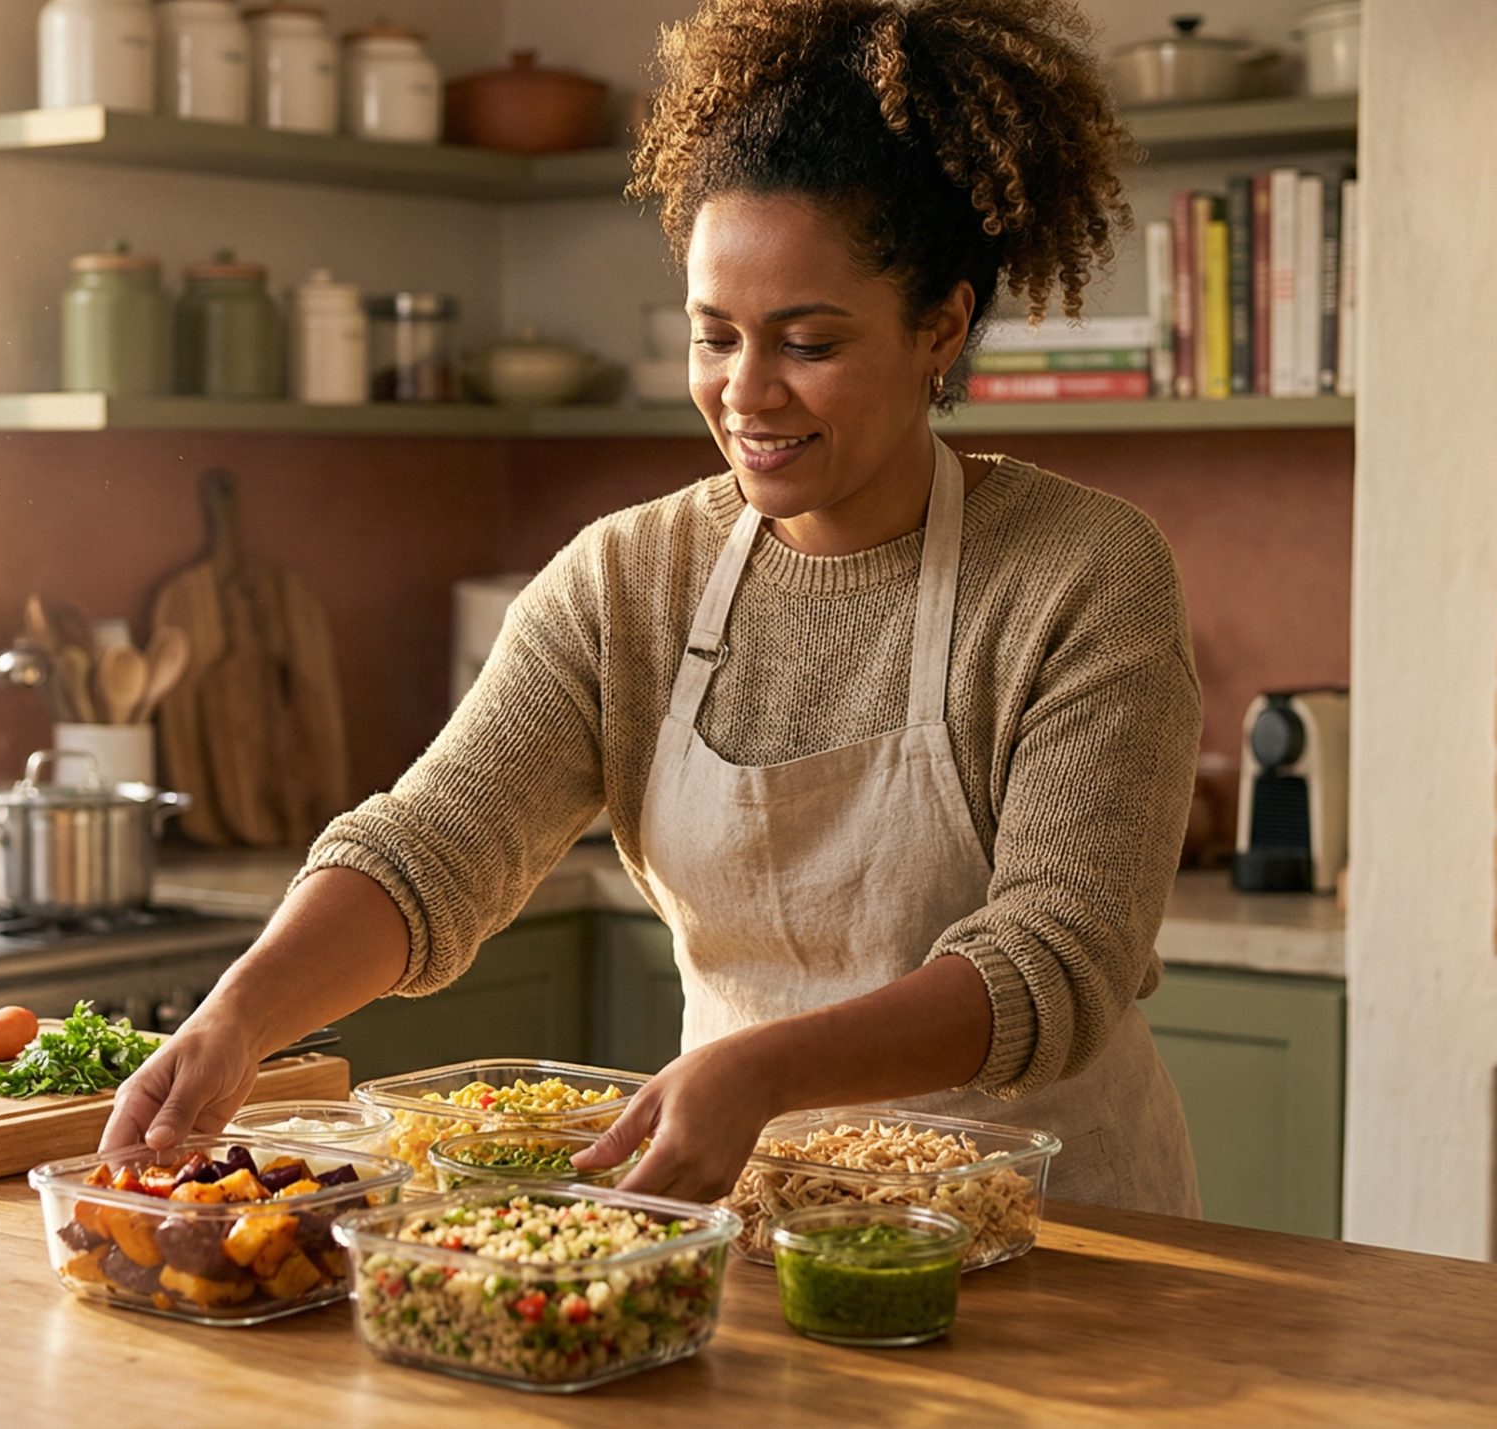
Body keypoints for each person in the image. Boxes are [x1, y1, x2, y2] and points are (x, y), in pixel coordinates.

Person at [104, 0, 1202, 1216]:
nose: (747, 391)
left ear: (940, 325)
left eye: (808, 340)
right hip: (734, 1220)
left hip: (1056, 1244)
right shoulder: (629, 579)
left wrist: (764, 1067)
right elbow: (435, 845)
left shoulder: (1081, 571)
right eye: (714, 335)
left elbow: (1061, 954)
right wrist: (242, 1013)